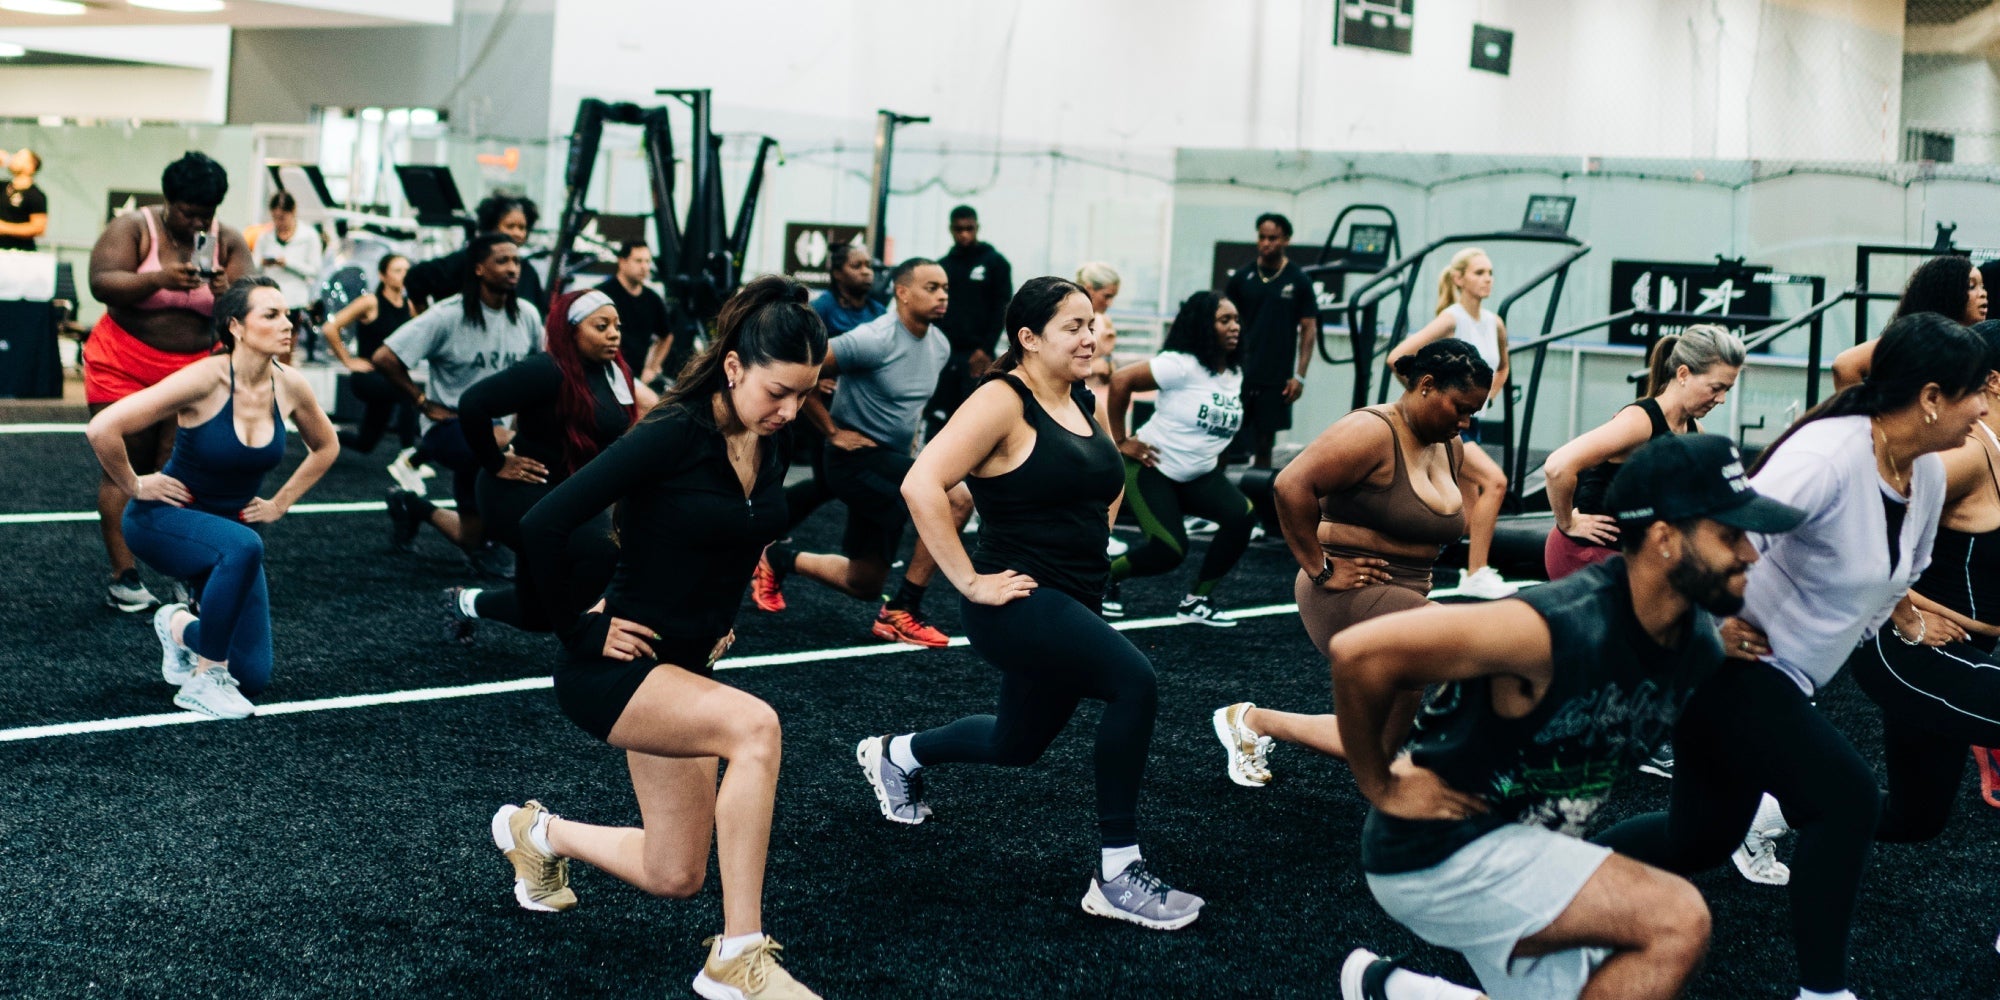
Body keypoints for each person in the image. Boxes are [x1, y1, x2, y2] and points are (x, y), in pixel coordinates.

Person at [1592, 313, 1990, 1000]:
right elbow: (1711, 538)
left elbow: (1899, 571)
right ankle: (1823, 992)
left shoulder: (1923, 474)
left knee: (1700, 841)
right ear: (1929, 397)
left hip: (1788, 677)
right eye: (1973, 393)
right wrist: (1699, 632)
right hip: (1733, 668)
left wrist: (1902, 620)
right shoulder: (1827, 458)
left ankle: (1566, 874)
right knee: (1847, 799)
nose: (1983, 407)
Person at [1334, 433, 1804, 1000]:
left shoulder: (1696, 645)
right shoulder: (1557, 626)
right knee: (1675, 920)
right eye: (1731, 535)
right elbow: (1361, 653)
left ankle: (1391, 988)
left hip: (1526, 848)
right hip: (1439, 854)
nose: (1752, 553)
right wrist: (1378, 782)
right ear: (1663, 539)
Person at [497, 275, 826, 1000]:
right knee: (755, 730)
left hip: (683, 669)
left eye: (805, 394)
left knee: (674, 874)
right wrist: (581, 629)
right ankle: (737, 957)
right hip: (616, 670)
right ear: (734, 365)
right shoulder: (673, 432)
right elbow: (541, 524)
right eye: (778, 391)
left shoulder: (770, 440)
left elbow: (740, 531)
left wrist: (720, 609)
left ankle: (537, 833)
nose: (791, 410)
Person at [855, 275, 1203, 931]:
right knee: (1135, 682)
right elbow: (923, 483)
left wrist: (1099, 531)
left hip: (1074, 599)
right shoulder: (1002, 400)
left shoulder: (1087, 400)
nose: (1090, 335)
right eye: (1073, 325)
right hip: (1014, 603)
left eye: (1092, 323)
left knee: (1017, 744)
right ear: (1027, 338)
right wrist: (968, 582)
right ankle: (1118, 873)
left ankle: (897, 754)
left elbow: (1108, 481)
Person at [1211, 340, 1489, 787]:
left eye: (1474, 411)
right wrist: (1319, 566)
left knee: (1375, 746)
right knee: (1484, 645)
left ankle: (1253, 720)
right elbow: (1290, 485)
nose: (1465, 421)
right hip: (1348, 593)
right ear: (1426, 385)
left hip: (1405, 597)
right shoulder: (1372, 430)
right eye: (1459, 407)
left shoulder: (1449, 445)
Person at [83, 277, 338, 719]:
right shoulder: (205, 378)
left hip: (227, 538)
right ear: (236, 326)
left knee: (254, 674)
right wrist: (136, 485)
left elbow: (327, 446)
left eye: (287, 313)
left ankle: (178, 626)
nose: (288, 323)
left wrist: (280, 503)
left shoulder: (290, 384)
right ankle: (204, 680)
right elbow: (102, 427)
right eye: (271, 314)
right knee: (245, 545)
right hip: (163, 523)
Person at [752, 259, 972, 646]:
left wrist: (914, 450)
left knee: (864, 582)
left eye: (946, 289)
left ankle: (779, 559)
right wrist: (832, 431)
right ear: (902, 293)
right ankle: (904, 609)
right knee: (955, 498)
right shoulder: (874, 338)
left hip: (888, 461)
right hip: (852, 461)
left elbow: (910, 409)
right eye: (932, 287)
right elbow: (805, 369)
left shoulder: (939, 345)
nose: (943, 296)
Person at [85, 151, 252, 612]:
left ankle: (183, 570)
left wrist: (228, 295)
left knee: (180, 474)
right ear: (168, 201)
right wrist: (159, 278)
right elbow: (100, 282)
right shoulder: (133, 228)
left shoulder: (229, 241)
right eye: (187, 212)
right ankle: (125, 574)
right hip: (123, 362)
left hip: (193, 371)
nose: (196, 221)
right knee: (126, 466)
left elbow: (253, 304)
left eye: (206, 213)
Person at [443, 288, 656, 642]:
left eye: (617, 326)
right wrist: (495, 462)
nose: (614, 334)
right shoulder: (546, 370)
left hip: (563, 495)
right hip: (517, 493)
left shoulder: (613, 372)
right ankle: (581, 634)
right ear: (572, 331)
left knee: (537, 615)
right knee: (600, 547)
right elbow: (473, 404)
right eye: (601, 326)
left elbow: (646, 412)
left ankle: (464, 602)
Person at [373, 233, 542, 566]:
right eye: (502, 261)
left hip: (497, 436)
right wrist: (421, 401)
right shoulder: (446, 316)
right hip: (449, 428)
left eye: (517, 261)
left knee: (470, 536)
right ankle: (496, 541)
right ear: (478, 268)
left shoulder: (527, 316)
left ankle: (411, 504)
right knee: (504, 446)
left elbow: (539, 373)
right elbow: (384, 357)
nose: (513, 268)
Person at [1542, 325, 1745, 580]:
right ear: (1683, 374)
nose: (1722, 399)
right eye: (1716, 388)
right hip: (1589, 554)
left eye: (1727, 389)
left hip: (1633, 555)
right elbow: (1557, 467)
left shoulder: (1693, 431)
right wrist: (1567, 523)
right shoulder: (1640, 421)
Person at [1101, 290, 1252, 625]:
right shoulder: (1180, 365)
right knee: (1169, 551)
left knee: (1242, 517)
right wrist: (1121, 439)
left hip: (1199, 474)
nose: (1234, 327)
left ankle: (1196, 600)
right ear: (1203, 324)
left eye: (1236, 320)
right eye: (1224, 320)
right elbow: (1121, 380)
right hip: (1152, 467)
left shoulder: (1234, 374)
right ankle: (1103, 578)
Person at [1388, 248, 1516, 600]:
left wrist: (1486, 399)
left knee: (1469, 503)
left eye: (1490, 272)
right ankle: (1476, 573)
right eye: (1479, 272)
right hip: (1452, 426)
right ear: (1459, 279)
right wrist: (1428, 404)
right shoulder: (1451, 318)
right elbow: (1397, 358)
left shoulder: (1495, 323)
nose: (1488, 278)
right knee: (1495, 482)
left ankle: (1455, 572)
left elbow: (1502, 367)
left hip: (1471, 423)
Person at [1222, 212, 1318, 469]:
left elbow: (1309, 328)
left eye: (1273, 238)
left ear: (1286, 240)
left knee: (1264, 445)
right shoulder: (1242, 278)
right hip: (1239, 371)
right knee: (1224, 440)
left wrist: (1300, 375)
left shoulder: (1298, 281)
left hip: (1275, 375)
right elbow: (1220, 321)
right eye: (1262, 237)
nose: (1266, 243)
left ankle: (1259, 500)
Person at [322, 253, 421, 470]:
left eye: (406, 270)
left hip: (390, 379)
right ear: (383, 276)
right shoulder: (370, 302)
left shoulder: (410, 306)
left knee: (364, 444)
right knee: (408, 394)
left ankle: (320, 436)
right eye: (397, 270)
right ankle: (409, 458)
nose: (403, 275)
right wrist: (348, 361)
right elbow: (330, 328)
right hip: (367, 377)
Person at [1832, 255, 1988, 389]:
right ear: (1945, 293)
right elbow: (1845, 365)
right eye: (1971, 286)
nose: (1983, 294)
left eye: (1982, 286)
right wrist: (1862, 418)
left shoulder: (1975, 342)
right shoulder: (1916, 338)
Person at [929, 205, 1013, 436]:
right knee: (939, 419)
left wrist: (985, 349)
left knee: (974, 422)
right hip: (945, 354)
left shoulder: (995, 263)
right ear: (951, 230)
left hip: (978, 354)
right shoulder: (943, 266)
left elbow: (1003, 309)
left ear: (977, 228)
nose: (964, 234)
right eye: (959, 229)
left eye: (969, 228)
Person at [407, 193, 546, 312]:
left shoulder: (528, 271)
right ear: (491, 227)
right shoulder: (468, 259)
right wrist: (427, 319)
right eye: (510, 226)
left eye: (522, 228)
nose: (517, 233)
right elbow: (416, 277)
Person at [251, 192, 324, 363]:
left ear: (293, 212)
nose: (279, 223)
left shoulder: (309, 236)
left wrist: (288, 263)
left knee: (286, 344)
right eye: (275, 218)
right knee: (264, 343)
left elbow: (314, 269)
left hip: (294, 300)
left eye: (283, 217)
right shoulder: (265, 236)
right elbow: (253, 265)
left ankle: (283, 378)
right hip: (268, 298)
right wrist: (263, 262)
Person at [597, 241, 674, 388]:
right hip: (605, 374)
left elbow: (666, 336)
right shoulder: (603, 294)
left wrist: (651, 368)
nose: (644, 267)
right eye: (638, 261)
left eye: (647, 261)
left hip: (637, 376)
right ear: (622, 262)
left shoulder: (652, 299)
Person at [809, 243, 883, 336]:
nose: (866, 272)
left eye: (868, 266)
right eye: (856, 266)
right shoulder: (820, 308)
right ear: (837, 273)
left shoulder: (879, 311)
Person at [0, 147, 47, 252]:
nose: (14, 158)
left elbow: (38, 228)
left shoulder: (35, 195)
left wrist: (4, 228)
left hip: (20, 253)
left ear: (30, 167)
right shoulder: (3, 186)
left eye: (19, 156)